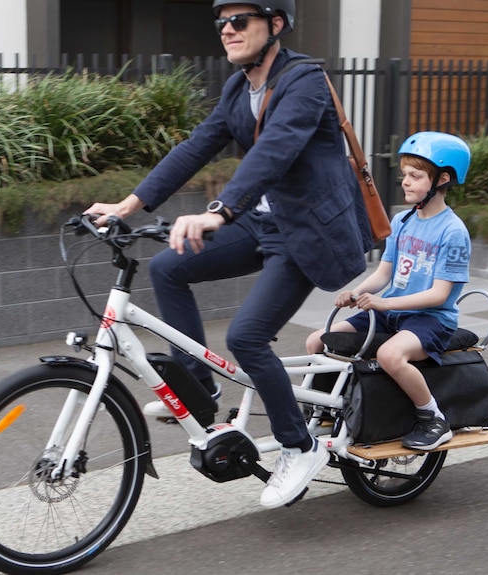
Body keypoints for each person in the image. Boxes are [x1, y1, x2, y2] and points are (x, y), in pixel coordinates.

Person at [84, 0, 372, 509]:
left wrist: (218, 211)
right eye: (221, 22)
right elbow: (196, 147)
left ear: (275, 24)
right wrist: (128, 204)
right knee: (169, 266)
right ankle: (197, 392)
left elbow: (275, 150)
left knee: (246, 336)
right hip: (264, 223)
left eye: (240, 21)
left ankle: (299, 447)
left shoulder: (304, 80)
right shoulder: (239, 87)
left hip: (306, 234)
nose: (227, 30)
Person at [306, 131, 472, 451]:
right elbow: (385, 272)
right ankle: (328, 408)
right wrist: (356, 293)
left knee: (389, 355)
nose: (405, 182)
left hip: (431, 319)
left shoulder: (452, 231)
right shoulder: (401, 220)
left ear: (443, 179)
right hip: (391, 313)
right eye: (404, 175)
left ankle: (433, 419)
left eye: (415, 175)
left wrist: (382, 304)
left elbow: (439, 295)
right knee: (317, 340)